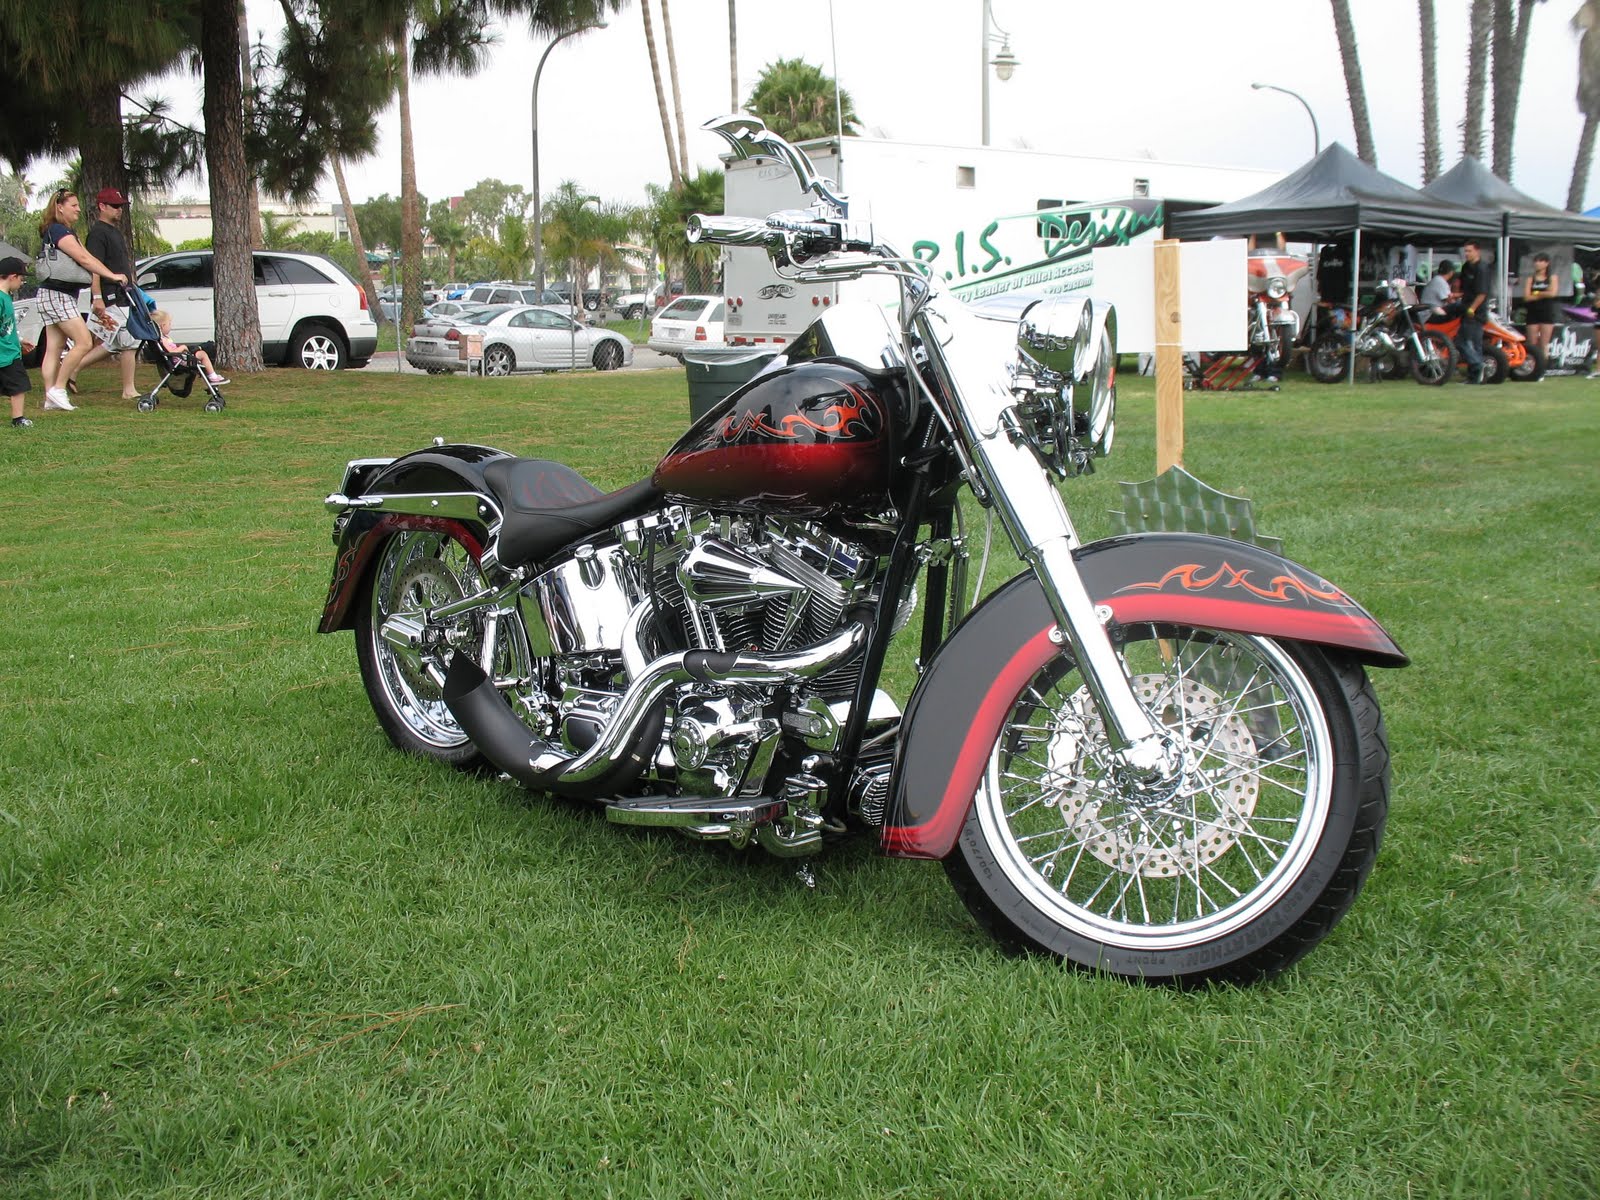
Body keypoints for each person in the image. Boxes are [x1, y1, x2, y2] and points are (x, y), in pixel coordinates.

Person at [34, 188, 128, 412]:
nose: (78, 209)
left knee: (54, 347)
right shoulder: (59, 231)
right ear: (60, 207)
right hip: (57, 295)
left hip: (51, 294)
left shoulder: (56, 230)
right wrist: (112, 275)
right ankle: (58, 389)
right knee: (84, 341)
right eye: (73, 205)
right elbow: (85, 258)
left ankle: (50, 397)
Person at [69, 188, 142, 402]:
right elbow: (94, 267)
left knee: (114, 342)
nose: (119, 210)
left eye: (121, 206)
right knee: (129, 341)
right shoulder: (98, 233)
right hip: (110, 295)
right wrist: (97, 296)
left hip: (123, 293)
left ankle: (72, 369)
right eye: (115, 206)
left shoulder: (114, 231)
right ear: (102, 206)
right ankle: (128, 389)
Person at [0, 256, 36, 428]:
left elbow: (8, 326)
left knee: (18, 385)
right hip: (3, 352)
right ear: (12, 276)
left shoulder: (6, 297)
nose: (21, 283)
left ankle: (18, 418)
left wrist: (20, 341)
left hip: (11, 351)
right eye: (21, 279)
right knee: (18, 385)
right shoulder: (0, 298)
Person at [149, 310, 228, 386]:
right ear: (163, 326)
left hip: (180, 358)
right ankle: (213, 377)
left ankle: (210, 377)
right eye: (169, 324)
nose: (171, 326)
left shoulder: (164, 338)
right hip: (180, 361)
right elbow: (171, 351)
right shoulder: (163, 340)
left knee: (202, 352)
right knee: (202, 354)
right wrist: (182, 347)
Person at [1456, 239, 1489, 383]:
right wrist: (1455, 295)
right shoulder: (1465, 268)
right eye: (1465, 251)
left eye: (1469, 251)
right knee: (1475, 345)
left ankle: (1477, 365)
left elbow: (1482, 293)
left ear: (1477, 251)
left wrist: (1472, 308)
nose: (1467, 254)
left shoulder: (1482, 268)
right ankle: (1475, 377)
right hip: (1465, 306)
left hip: (1476, 312)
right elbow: (1465, 290)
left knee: (1462, 341)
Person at [1521, 252, 1557, 376]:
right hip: (1533, 313)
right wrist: (1542, 293)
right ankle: (1532, 368)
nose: (1537, 263)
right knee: (1532, 343)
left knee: (1544, 343)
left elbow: (1552, 293)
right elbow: (1526, 297)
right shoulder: (1530, 279)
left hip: (1547, 313)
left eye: (1540, 261)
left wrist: (1536, 293)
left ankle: (1542, 369)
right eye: (1536, 261)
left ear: (1546, 263)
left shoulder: (1552, 277)